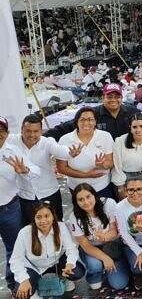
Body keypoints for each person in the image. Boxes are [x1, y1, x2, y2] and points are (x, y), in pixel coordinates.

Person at [8, 114, 81, 225]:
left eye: (36, 131)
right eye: (28, 131)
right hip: (25, 196)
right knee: (31, 229)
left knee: (56, 225)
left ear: (41, 131)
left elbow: (60, 150)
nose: (32, 135)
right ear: (21, 130)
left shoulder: (47, 142)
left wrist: (70, 153)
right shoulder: (12, 140)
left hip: (50, 193)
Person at [0, 116, 42, 292]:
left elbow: (36, 171)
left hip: (9, 208)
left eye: (1, 131)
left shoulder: (13, 151)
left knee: (14, 248)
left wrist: (24, 170)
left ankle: (14, 284)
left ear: (7, 133)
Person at [10, 202, 86, 299]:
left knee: (78, 271)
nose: (43, 221)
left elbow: (71, 248)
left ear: (53, 216)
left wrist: (69, 264)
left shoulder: (61, 227)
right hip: (35, 268)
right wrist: (23, 280)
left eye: (47, 216)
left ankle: (62, 278)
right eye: (39, 217)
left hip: (56, 264)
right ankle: (36, 286)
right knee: (22, 294)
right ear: (34, 218)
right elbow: (15, 259)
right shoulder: (25, 232)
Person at [67, 183, 129, 290]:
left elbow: (115, 231)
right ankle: (95, 275)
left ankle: (120, 263)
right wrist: (105, 258)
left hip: (111, 245)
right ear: (76, 202)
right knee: (95, 265)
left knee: (119, 284)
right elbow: (85, 245)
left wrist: (104, 237)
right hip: (92, 248)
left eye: (88, 197)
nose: (86, 202)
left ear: (94, 195)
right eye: (80, 199)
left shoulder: (109, 203)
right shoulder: (74, 216)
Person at [45, 83, 140, 141]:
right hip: (101, 158)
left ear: (122, 98)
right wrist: (42, 138)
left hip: (126, 157)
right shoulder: (92, 113)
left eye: (117, 97)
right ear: (103, 98)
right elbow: (67, 127)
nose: (113, 100)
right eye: (109, 97)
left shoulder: (132, 112)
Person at [57, 107, 115, 199]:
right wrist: (86, 175)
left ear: (95, 122)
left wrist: (103, 165)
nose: (86, 123)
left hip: (102, 187)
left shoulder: (105, 136)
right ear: (76, 122)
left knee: (105, 211)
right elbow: (61, 168)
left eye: (90, 119)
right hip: (77, 188)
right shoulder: (65, 139)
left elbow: (110, 162)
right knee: (82, 212)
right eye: (82, 119)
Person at [112, 113, 142, 198]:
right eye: (134, 127)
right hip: (123, 179)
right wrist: (121, 187)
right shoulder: (120, 141)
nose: (138, 130)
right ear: (130, 128)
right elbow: (116, 166)